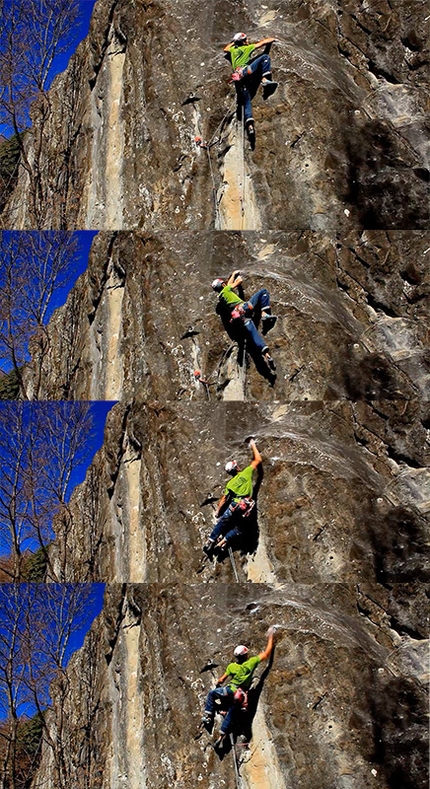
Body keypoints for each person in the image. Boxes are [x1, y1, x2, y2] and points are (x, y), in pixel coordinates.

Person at [201, 627, 276, 745]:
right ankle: (221, 736)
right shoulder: (251, 663)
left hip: (229, 690)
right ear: (246, 654)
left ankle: (208, 715)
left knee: (211, 694)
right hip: (239, 696)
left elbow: (221, 679)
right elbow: (267, 653)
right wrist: (271, 636)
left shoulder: (232, 666)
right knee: (231, 712)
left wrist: (218, 683)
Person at [203, 437, 261, 554]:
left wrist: (218, 512)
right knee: (240, 528)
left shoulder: (230, 484)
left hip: (235, 505)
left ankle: (211, 539)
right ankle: (224, 540)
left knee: (222, 521)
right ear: (237, 467)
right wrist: (253, 445)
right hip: (246, 505)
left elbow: (224, 499)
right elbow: (258, 460)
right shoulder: (247, 472)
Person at [212, 271, 277, 370]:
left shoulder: (222, 298)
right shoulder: (226, 290)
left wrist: (233, 274)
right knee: (263, 292)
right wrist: (237, 278)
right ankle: (264, 314)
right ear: (223, 285)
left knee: (254, 336)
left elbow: (229, 285)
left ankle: (266, 355)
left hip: (241, 318)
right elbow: (238, 282)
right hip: (245, 308)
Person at [224, 32, 278, 136]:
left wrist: (234, 42)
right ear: (243, 42)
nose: (248, 41)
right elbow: (262, 43)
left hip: (238, 79)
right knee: (265, 57)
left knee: (246, 99)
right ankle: (265, 79)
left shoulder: (232, 50)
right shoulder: (247, 48)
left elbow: (225, 49)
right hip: (246, 71)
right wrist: (273, 39)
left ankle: (249, 124)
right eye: (246, 40)